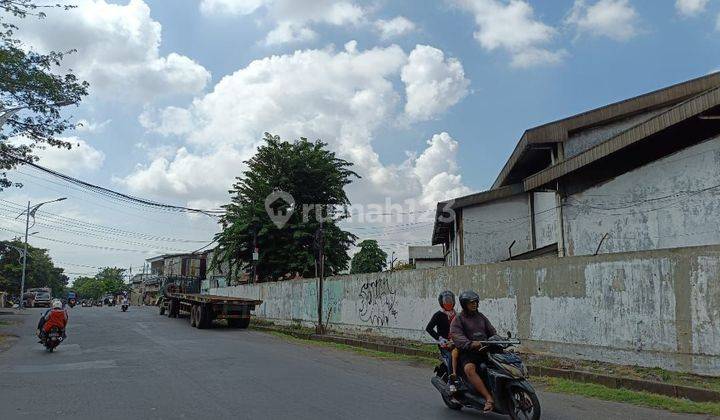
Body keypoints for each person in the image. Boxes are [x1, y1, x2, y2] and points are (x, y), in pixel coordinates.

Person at [449, 290, 497, 412]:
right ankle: (488, 398)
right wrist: (470, 343)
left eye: (475, 302)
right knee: (469, 369)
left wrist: (497, 339)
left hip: (485, 349)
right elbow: (457, 336)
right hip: (468, 352)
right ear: (464, 304)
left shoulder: (481, 317)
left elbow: (492, 331)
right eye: (471, 302)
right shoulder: (458, 319)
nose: (474, 304)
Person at [425, 290, 460, 391]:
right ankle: (451, 382)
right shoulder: (438, 315)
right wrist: (440, 338)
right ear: (441, 302)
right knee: (449, 357)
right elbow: (429, 328)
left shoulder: (457, 315)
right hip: (444, 344)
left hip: (457, 343)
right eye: (446, 301)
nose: (448, 303)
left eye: (450, 301)